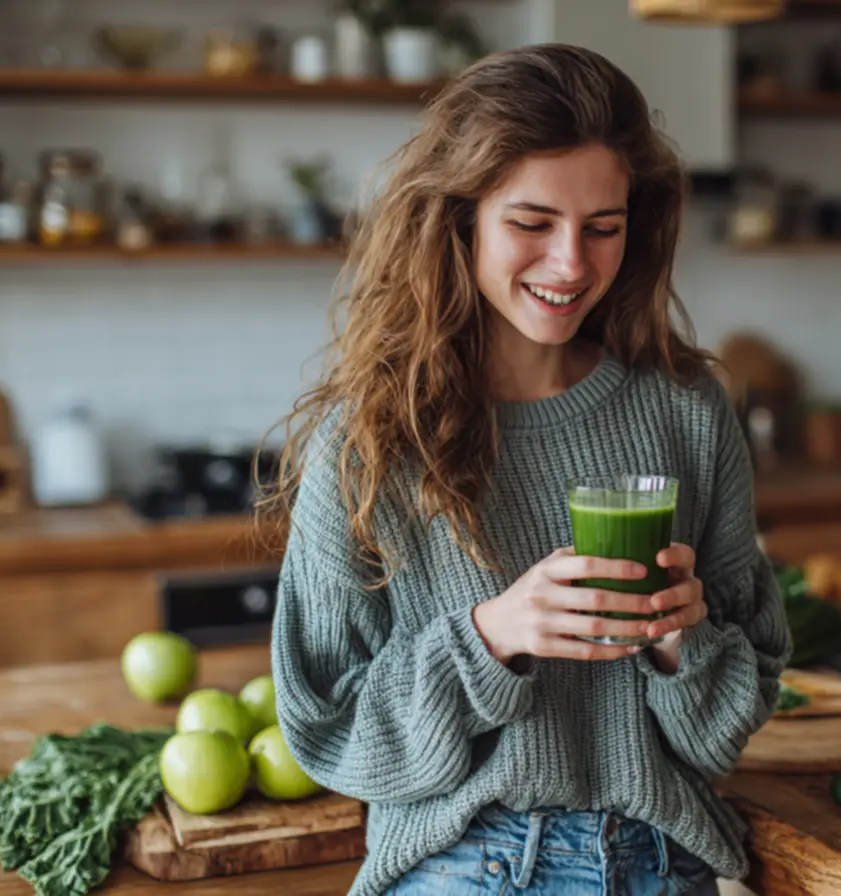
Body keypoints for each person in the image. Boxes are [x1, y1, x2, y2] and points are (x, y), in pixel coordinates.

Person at [262, 42, 791, 896]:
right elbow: (329, 733)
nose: (571, 264)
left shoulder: (687, 416)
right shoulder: (372, 444)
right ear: (460, 217)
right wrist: (490, 639)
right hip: (464, 866)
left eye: (603, 228)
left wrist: (677, 642)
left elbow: (730, 725)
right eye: (532, 224)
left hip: (664, 864)